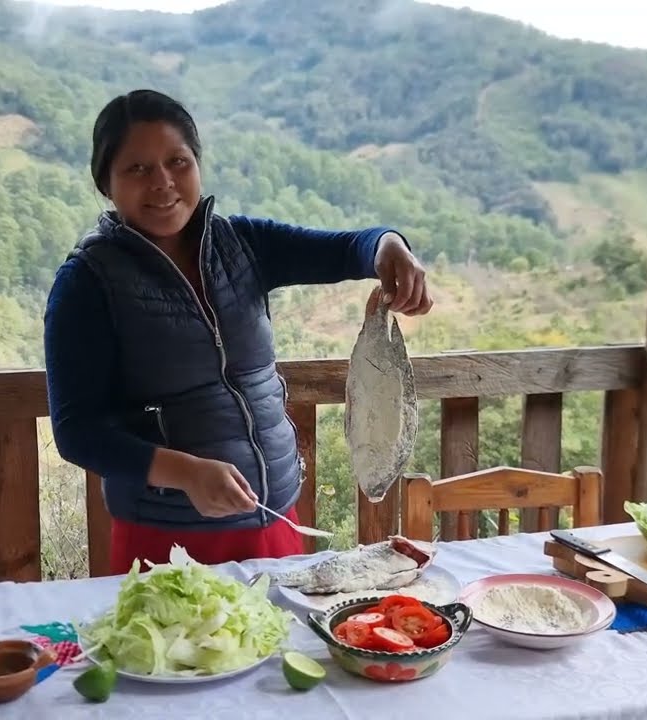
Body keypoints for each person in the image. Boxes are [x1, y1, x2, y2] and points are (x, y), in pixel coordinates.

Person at [43, 89, 433, 574]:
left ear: (197, 164)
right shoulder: (86, 282)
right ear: (106, 183)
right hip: (167, 540)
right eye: (137, 169)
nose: (163, 183)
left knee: (280, 645)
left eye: (177, 161)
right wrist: (185, 473)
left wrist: (389, 246)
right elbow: (77, 432)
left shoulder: (242, 244)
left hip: (273, 517)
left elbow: (349, 247)